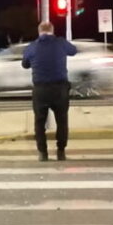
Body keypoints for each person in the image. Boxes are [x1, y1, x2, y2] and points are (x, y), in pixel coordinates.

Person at [21, 21, 77, 162]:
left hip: (40, 89)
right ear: (52, 30)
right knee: (62, 120)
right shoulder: (61, 43)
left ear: (39, 31)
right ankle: (61, 151)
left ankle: (43, 153)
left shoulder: (32, 47)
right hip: (60, 89)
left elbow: (25, 64)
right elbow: (73, 51)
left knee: (39, 122)